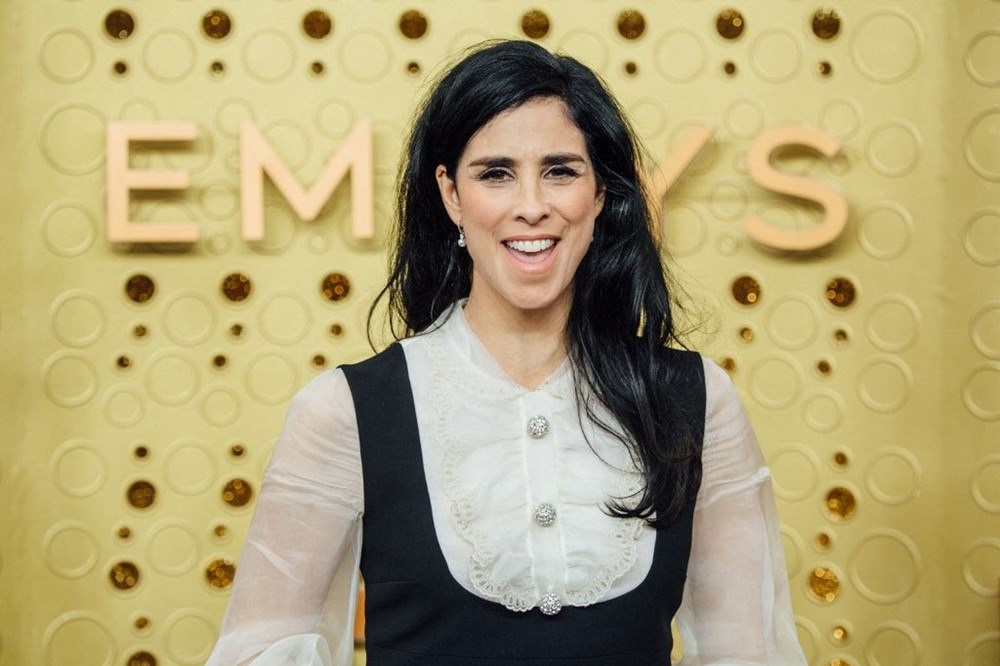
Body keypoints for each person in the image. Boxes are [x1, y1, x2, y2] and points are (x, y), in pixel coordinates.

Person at [207, 40, 806, 665]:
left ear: (601, 193)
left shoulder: (697, 399)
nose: (531, 206)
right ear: (450, 195)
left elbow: (747, 652)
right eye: (495, 173)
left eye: (560, 171)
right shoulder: (345, 411)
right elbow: (261, 653)